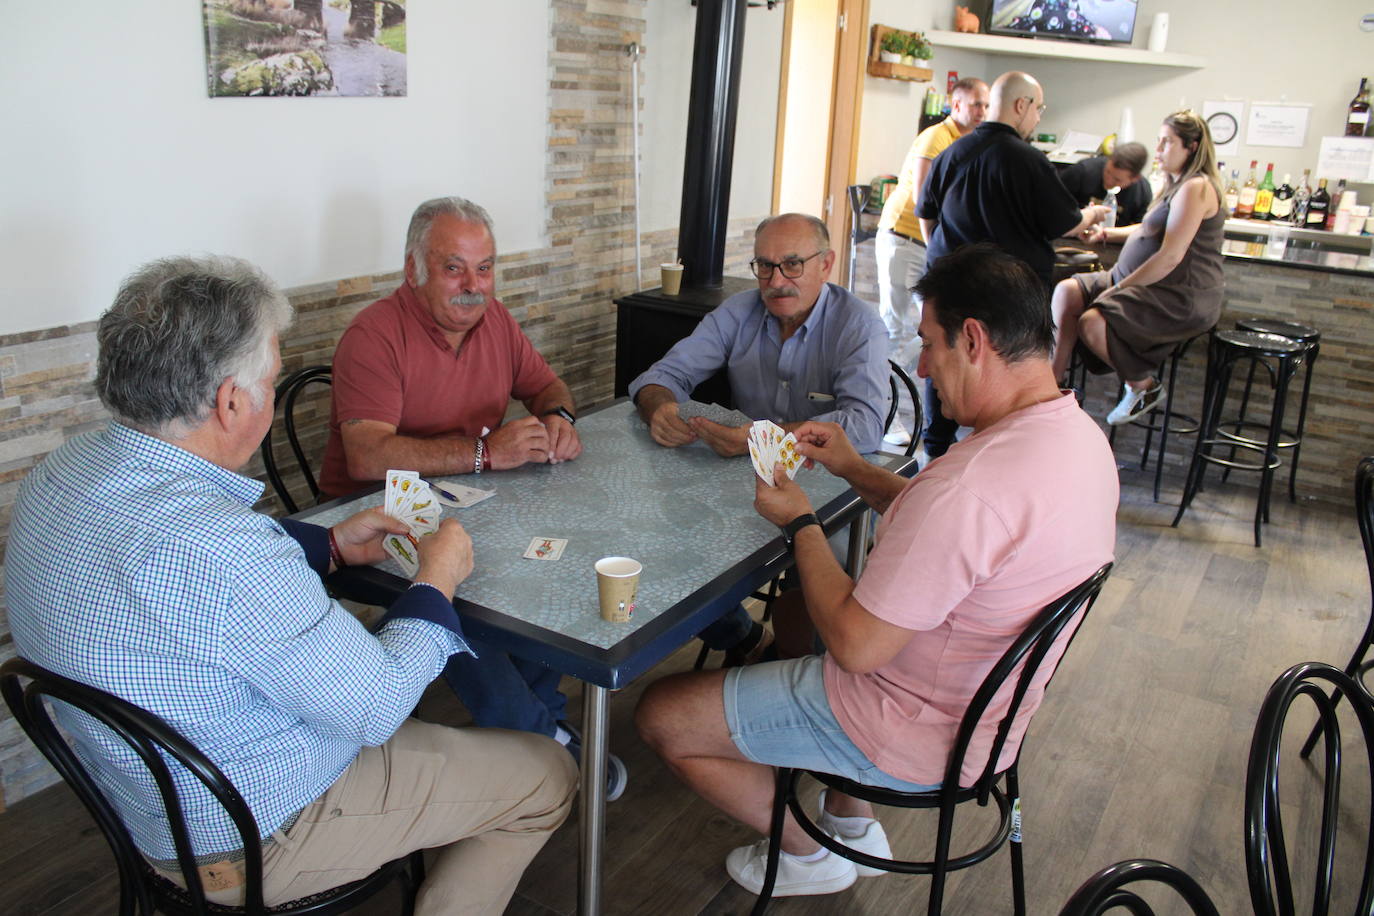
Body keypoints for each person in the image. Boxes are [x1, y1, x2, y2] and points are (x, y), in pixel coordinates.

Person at [5, 256, 578, 915]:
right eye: (271, 383)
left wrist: (329, 545)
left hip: (140, 798)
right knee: (548, 776)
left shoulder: (63, 470)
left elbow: (176, 582)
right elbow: (377, 705)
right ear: (229, 402)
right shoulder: (224, 550)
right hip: (250, 834)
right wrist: (435, 580)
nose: (271, 402)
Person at [634, 244, 1118, 899]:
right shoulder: (1077, 438)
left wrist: (801, 520)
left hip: (915, 727)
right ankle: (851, 820)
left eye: (928, 344)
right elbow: (963, 537)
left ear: (972, 340)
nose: (921, 366)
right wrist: (855, 469)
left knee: (661, 713)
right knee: (794, 614)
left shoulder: (974, 484)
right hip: (992, 712)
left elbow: (857, 648)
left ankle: (810, 855)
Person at [320, 196, 626, 798]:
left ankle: (536, 721)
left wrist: (560, 417)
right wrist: (486, 454)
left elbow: (546, 386)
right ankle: (548, 747)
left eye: (484, 268)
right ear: (413, 269)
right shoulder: (373, 335)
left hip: (476, 508)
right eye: (453, 268)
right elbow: (367, 455)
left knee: (564, 565)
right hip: (377, 526)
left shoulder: (496, 321)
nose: (473, 286)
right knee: (459, 601)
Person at [916, 70, 1108, 459]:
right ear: (1021, 106)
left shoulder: (953, 152)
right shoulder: (1028, 160)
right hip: (1010, 296)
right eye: (1038, 108)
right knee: (1006, 374)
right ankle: (999, 455)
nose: (1037, 117)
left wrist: (942, 262)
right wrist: (1094, 216)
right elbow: (1066, 222)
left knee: (943, 360)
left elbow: (927, 215)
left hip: (951, 286)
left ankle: (936, 451)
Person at [630, 213, 889, 456]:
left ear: (825, 265)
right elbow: (664, 375)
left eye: (792, 264)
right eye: (765, 266)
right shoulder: (738, 311)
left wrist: (763, 439)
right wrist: (659, 407)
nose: (776, 282)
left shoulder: (860, 326)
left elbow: (865, 427)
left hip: (824, 472)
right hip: (744, 474)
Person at [1049, 111, 1226, 425]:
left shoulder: (1196, 187)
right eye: (1158, 141)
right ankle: (1050, 392)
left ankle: (1142, 385)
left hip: (1177, 294)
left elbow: (1170, 256)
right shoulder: (1174, 184)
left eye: (1167, 142)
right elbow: (1147, 230)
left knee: (1093, 321)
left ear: (1192, 146)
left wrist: (1120, 288)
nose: (1158, 150)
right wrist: (1107, 233)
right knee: (1067, 292)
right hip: (1138, 282)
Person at [874, 78, 989, 371]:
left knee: (940, 324)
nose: (982, 112)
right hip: (904, 237)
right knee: (895, 326)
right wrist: (937, 248)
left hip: (928, 243)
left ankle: (896, 384)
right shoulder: (935, 137)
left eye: (986, 105)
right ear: (957, 104)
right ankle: (884, 395)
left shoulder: (967, 142)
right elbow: (923, 196)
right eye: (976, 104)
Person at [1057, 141, 1153, 228]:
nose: (1109, 181)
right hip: (1071, 232)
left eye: (1117, 179)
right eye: (1107, 172)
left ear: (1134, 179)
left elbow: (1140, 230)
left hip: (1114, 241)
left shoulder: (1142, 192)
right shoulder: (1082, 171)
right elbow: (1053, 206)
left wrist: (1107, 234)